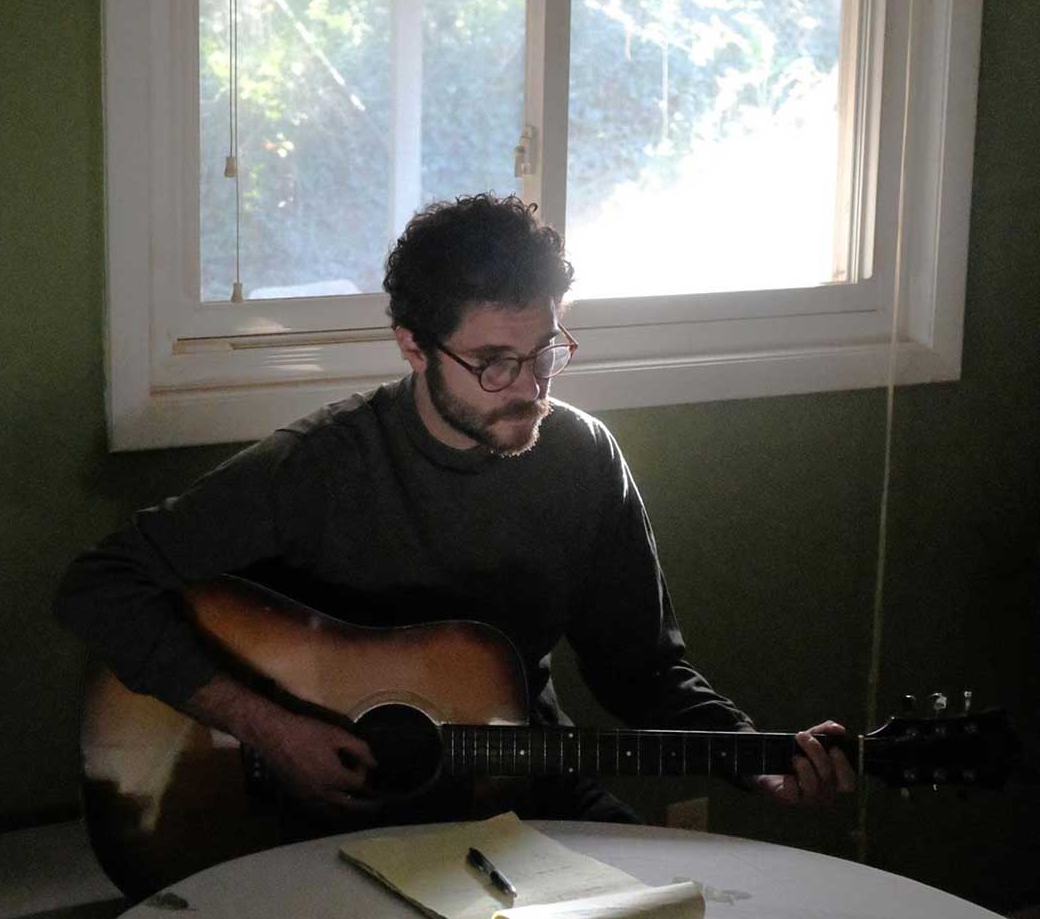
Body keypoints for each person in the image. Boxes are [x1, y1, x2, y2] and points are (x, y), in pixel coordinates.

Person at [55, 193, 854, 823]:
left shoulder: (583, 460)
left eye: (546, 353)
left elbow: (643, 672)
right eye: (493, 363)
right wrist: (270, 727)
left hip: (529, 787)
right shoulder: (320, 468)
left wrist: (756, 758)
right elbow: (100, 586)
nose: (531, 389)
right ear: (412, 347)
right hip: (332, 818)